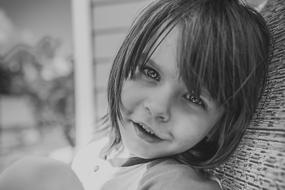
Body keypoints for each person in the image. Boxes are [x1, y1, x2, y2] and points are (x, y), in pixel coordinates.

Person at [0, 0, 271, 190]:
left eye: (194, 99)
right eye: (151, 73)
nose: (157, 107)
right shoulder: (98, 149)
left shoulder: (171, 182)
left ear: (219, 125)